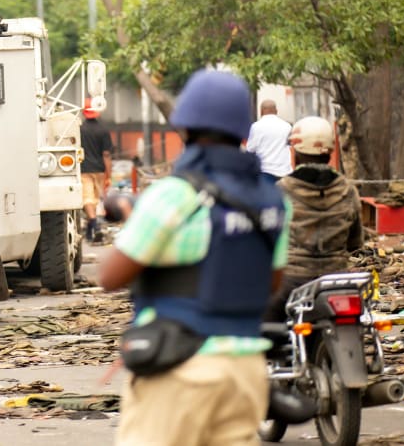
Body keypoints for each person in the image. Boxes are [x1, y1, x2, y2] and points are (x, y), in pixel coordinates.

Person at [98, 70, 291, 446]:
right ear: (243, 132)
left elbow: (110, 276)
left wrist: (133, 216)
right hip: (246, 372)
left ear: (185, 127)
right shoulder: (274, 202)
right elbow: (270, 283)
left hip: (180, 366)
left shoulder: (174, 195)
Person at [264, 116, 362, 321]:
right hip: (336, 279)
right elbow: (355, 242)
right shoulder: (348, 190)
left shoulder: (280, 191)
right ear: (330, 152)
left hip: (292, 281)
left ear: (295, 153)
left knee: (265, 327)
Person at [80, 97, 113, 242]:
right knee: (95, 198)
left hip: (84, 169)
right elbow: (106, 154)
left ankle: (94, 225)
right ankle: (93, 228)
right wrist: (108, 174)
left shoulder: (79, 129)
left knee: (87, 199)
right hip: (99, 169)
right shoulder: (103, 130)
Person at [245, 99, 293, 182]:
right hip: (284, 172)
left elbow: (250, 149)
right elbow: (291, 148)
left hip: (265, 172)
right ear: (276, 111)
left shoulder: (255, 127)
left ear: (261, 111)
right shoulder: (287, 126)